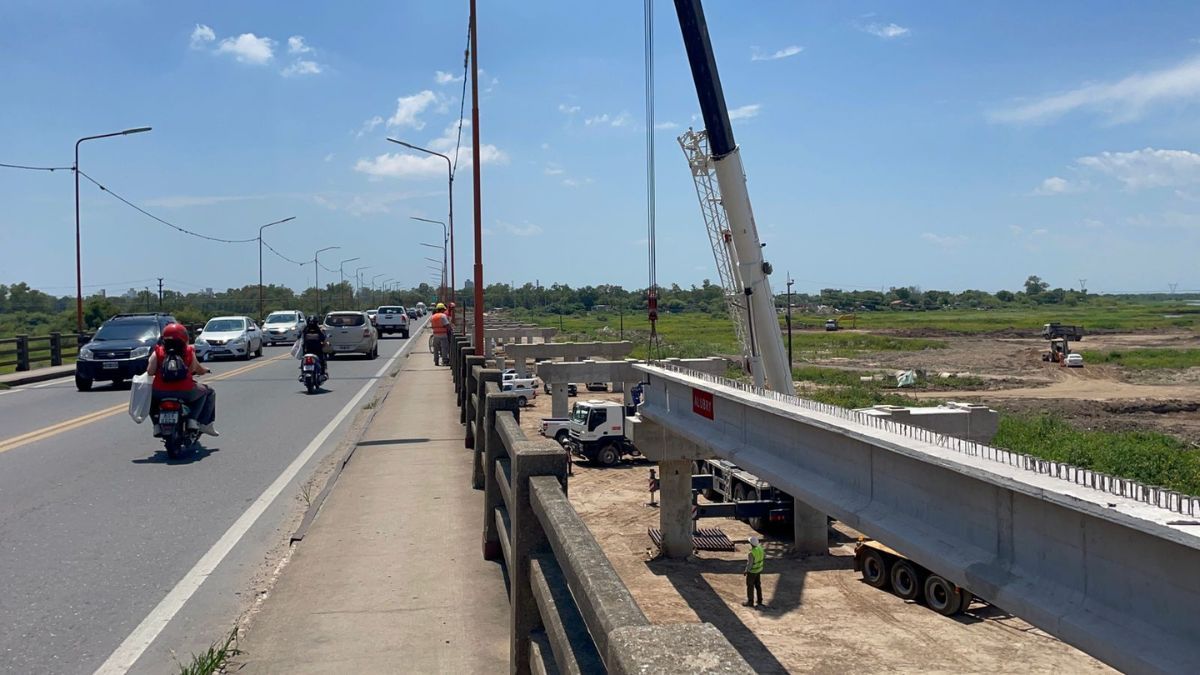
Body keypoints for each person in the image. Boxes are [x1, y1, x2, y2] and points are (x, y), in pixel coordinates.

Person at [146, 323, 218, 436]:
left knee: (148, 398)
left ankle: (156, 425)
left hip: (159, 391)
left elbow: (150, 371)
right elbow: (195, 369)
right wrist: (205, 370)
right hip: (185, 391)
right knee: (208, 392)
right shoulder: (188, 351)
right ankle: (196, 420)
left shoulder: (158, 351)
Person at [744, 535, 764, 607]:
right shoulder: (761, 549)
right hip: (759, 570)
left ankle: (750, 602)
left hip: (752, 572)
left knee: (750, 586)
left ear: (751, 544)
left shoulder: (751, 553)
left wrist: (746, 571)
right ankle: (759, 600)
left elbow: (750, 564)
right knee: (758, 585)